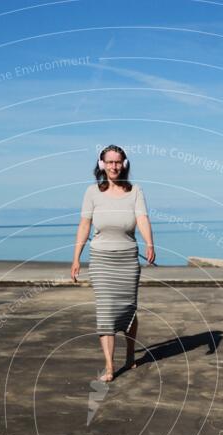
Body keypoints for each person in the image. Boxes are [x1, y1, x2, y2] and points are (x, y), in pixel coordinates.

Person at [71, 145, 156, 382]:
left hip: (128, 259)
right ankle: (109, 366)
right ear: (102, 165)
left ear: (124, 164)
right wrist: (76, 257)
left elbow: (142, 219)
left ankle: (130, 354)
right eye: (109, 162)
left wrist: (150, 243)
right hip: (101, 259)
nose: (113, 167)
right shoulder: (92, 192)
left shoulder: (135, 191)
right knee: (106, 311)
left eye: (117, 162)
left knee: (128, 309)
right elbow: (84, 225)